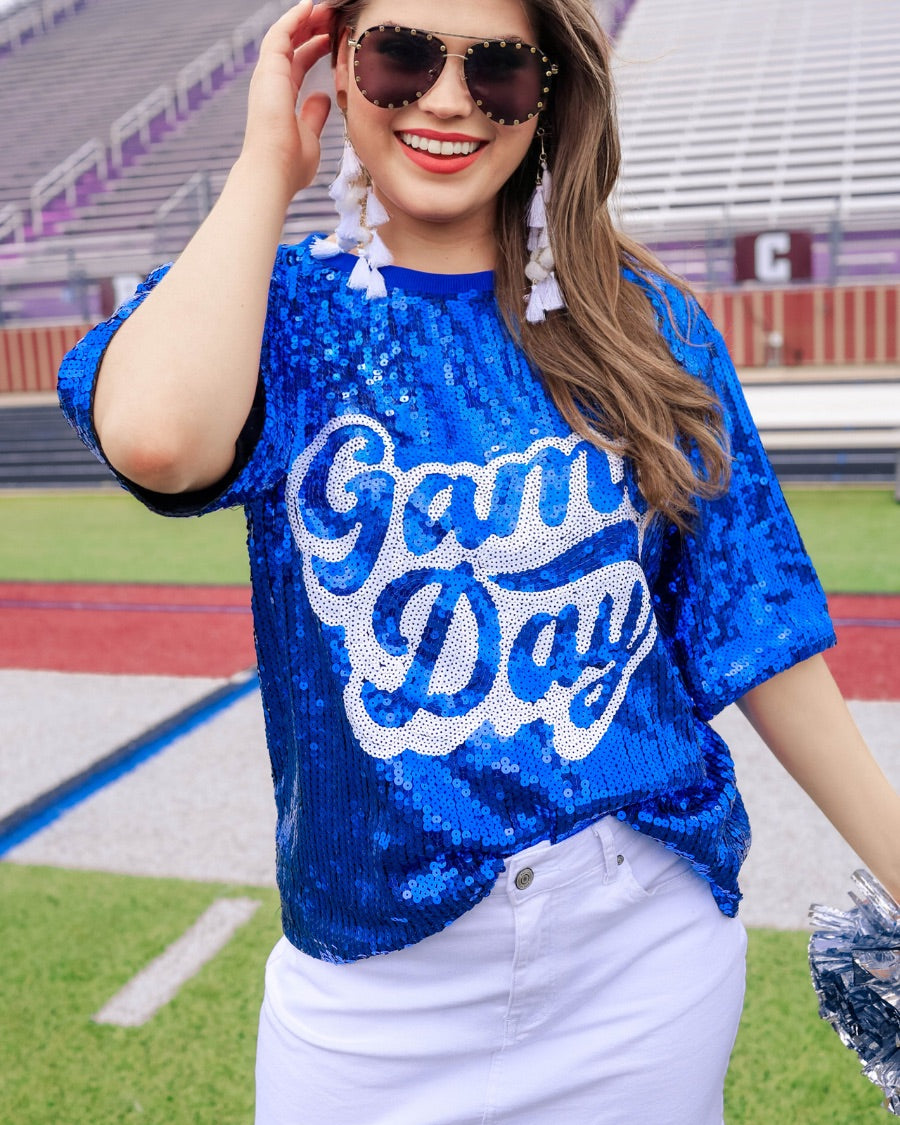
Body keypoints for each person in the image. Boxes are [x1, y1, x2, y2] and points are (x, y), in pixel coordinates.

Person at [57, 1, 900, 1122]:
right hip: (369, 987)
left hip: (638, 951)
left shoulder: (648, 326)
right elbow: (159, 442)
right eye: (400, 57)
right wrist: (267, 159)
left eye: (498, 68)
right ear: (339, 67)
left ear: (548, 93)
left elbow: (756, 633)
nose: (448, 99)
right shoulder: (283, 312)